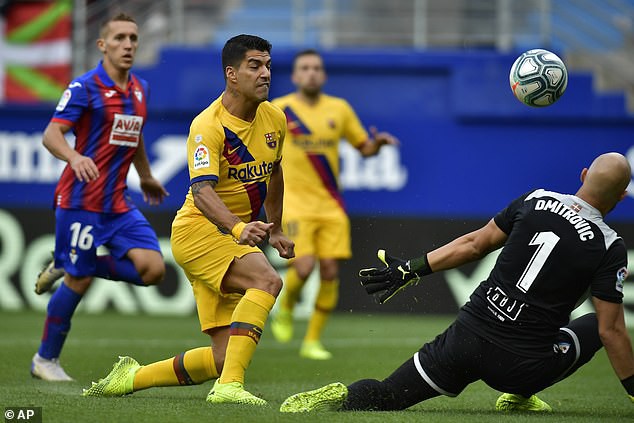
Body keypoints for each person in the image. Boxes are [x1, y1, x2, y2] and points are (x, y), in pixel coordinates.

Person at [279, 152, 634, 413]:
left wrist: (411, 269)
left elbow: (474, 244)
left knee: (387, 395)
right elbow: (611, 331)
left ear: (584, 173)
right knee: (590, 325)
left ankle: (341, 395)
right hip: (522, 365)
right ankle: (518, 396)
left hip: (465, 340)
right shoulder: (609, 246)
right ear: (621, 197)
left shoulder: (536, 199)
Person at [82, 34, 294, 406]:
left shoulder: (274, 117)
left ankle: (131, 377)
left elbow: (275, 173)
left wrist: (274, 226)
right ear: (231, 73)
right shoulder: (208, 126)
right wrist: (241, 228)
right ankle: (229, 390)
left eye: (268, 66)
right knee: (266, 279)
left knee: (224, 358)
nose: (265, 74)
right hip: (200, 231)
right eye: (255, 66)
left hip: (231, 235)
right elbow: (203, 193)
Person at [31, 13, 168, 382]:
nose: (128, 45)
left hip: (118, 203)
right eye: (120, 38)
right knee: (79, 282)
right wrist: (74, 157)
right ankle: (45, 360)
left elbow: (133, 133)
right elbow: (52, 135)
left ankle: (70, 262)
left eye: (133, 38)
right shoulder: (84, 87)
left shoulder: (141, 89)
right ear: (102, 45)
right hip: (80, 202)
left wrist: (147, 175)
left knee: (153, 270)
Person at [269, 49, 398, 360]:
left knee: (329, 271)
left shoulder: (339, 109)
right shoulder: (278, 110)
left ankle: (312, 340)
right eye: (305, 68)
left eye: (316, 68)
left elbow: (362, 147)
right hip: (295, 202)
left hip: (330, 204)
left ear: (323, 75)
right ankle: (286, 307)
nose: (311, 73)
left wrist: (376, 145)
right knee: (303, 265)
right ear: (296, 76)